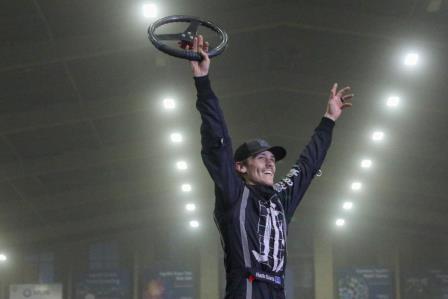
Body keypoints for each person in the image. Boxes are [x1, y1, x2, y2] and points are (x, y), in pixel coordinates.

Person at [189, 35, 353, 298]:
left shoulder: (280, 200)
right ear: (240, 167)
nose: (270, 162)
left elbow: (307, 166)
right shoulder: (233, 194)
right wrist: (203, 84)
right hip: (245, 290)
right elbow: (217, 142)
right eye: (261, 157)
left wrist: (329, 120)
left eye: (272, 158)